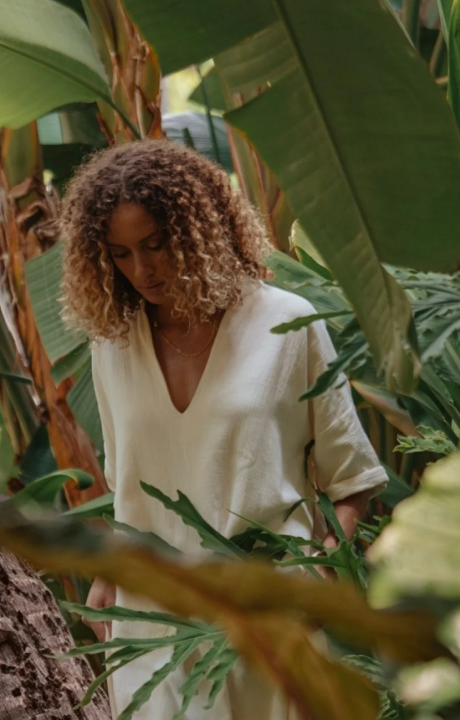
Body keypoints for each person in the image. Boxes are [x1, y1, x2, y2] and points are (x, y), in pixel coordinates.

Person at [59, 139, 387, 720]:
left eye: (156, 244)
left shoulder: (286, 323)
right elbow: (131, 486)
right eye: (121, 253)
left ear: (197, 228)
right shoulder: (111, 346)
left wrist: (316, 570)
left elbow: (355, 481)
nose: (143, 270)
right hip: (153, 624)